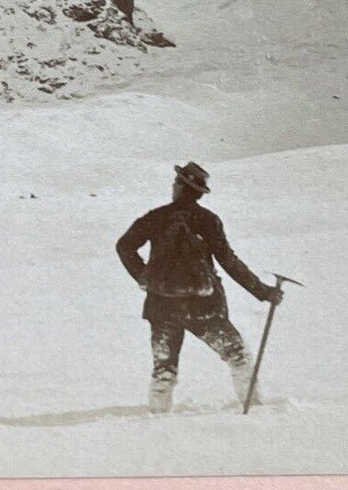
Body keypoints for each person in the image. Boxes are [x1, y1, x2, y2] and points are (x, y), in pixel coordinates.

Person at [115, 161, 281, 414]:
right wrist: (263, 291)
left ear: (181, 187)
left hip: (161, 305)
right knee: (238, 356)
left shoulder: (156, 217)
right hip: (203, 307)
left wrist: (147, 278)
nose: (173, 186)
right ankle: (254, 411)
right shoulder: (208, 220)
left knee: (163, 368)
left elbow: (124, 246)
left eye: (176, 182)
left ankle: (157, 420)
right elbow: (228, 261)